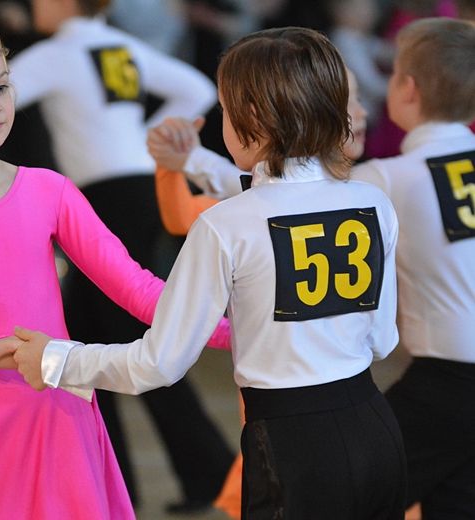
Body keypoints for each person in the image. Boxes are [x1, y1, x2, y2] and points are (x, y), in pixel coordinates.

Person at [0, 1, 235, 511]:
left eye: (2, 87)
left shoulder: (50, 190)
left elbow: (135, 287)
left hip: (59, 412)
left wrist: (238, 329)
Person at [14, 26, 407, 518]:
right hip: (375, 427)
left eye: (224, 111)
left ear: (254, 119)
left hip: (290, 446)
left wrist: (57, 360)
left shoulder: (224, 224)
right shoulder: (373, 203)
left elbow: (158, 364)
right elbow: (383, 341)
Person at [146, 67, 371, 519]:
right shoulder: (261, 204)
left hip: (317, 412)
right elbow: (191, 212)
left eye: (358, 97)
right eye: (347, 99)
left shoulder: (374, 191)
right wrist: (175, 167)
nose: (360, 112)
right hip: (287, 413)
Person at [348, 17, 475, 519]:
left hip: (450, 382)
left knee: (350, 494)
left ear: (408, 87)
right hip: (451, 381)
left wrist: (200, 169)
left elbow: (294, 198)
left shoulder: (388, 176)